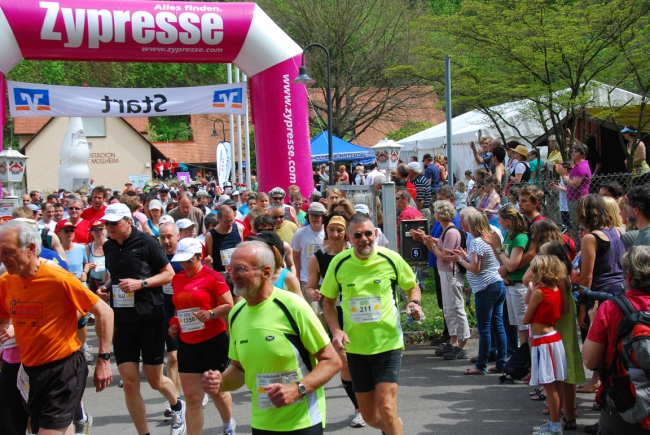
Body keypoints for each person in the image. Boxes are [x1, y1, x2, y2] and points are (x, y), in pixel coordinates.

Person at [201, 241, 341, 434]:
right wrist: (220, 381)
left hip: (303, 422)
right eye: (230, 268)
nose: (233, 275)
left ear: (266, 272)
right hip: (261, 424)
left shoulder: (293, 307)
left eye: (241, 269)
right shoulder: (236, 314)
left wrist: (297, 389)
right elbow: (239, 369)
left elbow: (332, 361)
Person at [0, 220, 114, 435]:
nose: (2, 259)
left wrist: (104, 360)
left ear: (31, 249)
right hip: (29, 370)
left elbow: (105, 312)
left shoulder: (58, 279)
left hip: (63, 369)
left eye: (7, 252)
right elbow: (3, 318)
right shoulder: (6, 281)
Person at [321, 213, 424, 435]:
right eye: (358, 235)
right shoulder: (339, 263)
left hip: (388, 344)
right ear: (350, 238)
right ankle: (392, 427)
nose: (364, 239)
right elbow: (327, 302)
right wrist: (336, 330)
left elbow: (412, 286)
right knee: (369, 416)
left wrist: (414, 303)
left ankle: (392, 423)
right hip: (356, 349)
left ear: (376, 234)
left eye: (368, 233)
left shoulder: (390, 258)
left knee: (387, 408)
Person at [98, 203, 185, 435]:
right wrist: (106, 287)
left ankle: (177, 405)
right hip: (123, 321)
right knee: (128, 382)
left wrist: (141, 284)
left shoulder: (146, 242)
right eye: (107, 223)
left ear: (128, 221)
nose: (110, 227)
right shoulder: (108, 246)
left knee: (155, 381)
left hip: (150, 318)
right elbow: (114, 276)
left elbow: (169, 274)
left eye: (114, 223)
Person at [167, 238, 236, 435]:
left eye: (189, 261)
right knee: (192, 396)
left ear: (200, 257)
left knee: (217, 392)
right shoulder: (178, 278)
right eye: (181, 261)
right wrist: (174, 324)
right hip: (188, 343)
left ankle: (228, 423)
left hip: (213, 341)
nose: (184, 265)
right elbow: (178, 308)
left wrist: (211, 313)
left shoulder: (212, 277)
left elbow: (229, 305)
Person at [583, 246, 650, 435]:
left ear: (628, 276)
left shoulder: (611, 309)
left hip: (623, 399)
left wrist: (593, 322)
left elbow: (590, 360)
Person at [446, 211, 507, 374]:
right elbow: (480, 262)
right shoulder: (493, 238)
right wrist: (465, 257)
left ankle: (481, 365)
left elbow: (475, 268)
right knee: (498, 325)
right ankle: (502, 363)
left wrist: (460, 260)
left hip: (485, 287)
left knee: (485, 328)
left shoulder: (477, 242)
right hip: (498, 283)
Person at [522, 255, 568, 435]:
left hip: (544, 341)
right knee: (555, 383)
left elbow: (527, 318)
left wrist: (533, 291)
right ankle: (554, 422)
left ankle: (555, 425)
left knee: (550, 386)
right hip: (554, 337)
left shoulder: (540, 292)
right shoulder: (555, 288)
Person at [422, 200, 470, 360]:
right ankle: (453, 340)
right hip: (446, 273)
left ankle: (462, 344)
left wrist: (431, 245)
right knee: (449, 309)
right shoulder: (446, 231)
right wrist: (431, 241)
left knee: (456, 307)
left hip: (452, 273)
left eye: (435, 212)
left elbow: (445, 256)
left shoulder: (450, 232)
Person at [487, 204, 530, 347]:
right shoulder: (508, 236)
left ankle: (526, 360)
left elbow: (511, 264)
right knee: (518, 326)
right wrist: (494, 245)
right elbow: (502, 260)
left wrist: (498, 247)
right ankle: (523, 358)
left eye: (500, 219)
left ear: (508, 220)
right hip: (510, 286)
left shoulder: (520, 238)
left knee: (524, 327)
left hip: (519, 286)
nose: (498, 222)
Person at [291, 203, 326, 317]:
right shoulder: (300, 233)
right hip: (307, 279)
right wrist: (296, 277)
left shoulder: (328, 233)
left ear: (323, 217)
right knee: (313, 313)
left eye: (317, 215)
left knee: (326, 313)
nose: (314, 218)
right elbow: (295, 256)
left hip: (326, 280)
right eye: (312, 215)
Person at [246, 231, 302, 297]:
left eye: (259, 246)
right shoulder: (252, 274)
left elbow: (301, 305)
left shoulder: (288, 278)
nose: (254, 249)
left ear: (272, 250)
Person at [205, 205, 245, 298]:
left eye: (232, 220)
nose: (230, 224)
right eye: (226, 221)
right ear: (218, 219)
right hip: (221, 278)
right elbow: (210, 259)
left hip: (237, 275)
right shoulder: (210, 236)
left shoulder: (238, 229)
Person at [555, 142, 592, 233]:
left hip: (578, 199)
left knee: (577, 225)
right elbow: (568, 184)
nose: (573, 153)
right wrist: (563, 175)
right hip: (572, 199)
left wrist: (563, 175)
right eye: (572, 151)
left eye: (576, 152)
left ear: (583, 154)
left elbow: (574, 184)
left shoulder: (581, 167)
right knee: (574, 224)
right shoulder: (576, 166)